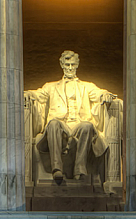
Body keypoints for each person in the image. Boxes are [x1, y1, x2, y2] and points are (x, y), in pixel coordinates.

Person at [25, 50, 114, 183]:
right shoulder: (51, 87)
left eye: (73, 65)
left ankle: (80, 169)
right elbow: (38, 94)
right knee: (53, 123)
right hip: (60, 126)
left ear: (77, 65)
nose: (70, 68)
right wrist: (27, 94)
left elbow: (98, 93)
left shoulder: (86, 86)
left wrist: (105, 94)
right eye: (67, 65)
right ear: (62, 65)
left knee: (87, 125)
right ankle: (57, 169)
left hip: (79, 124)